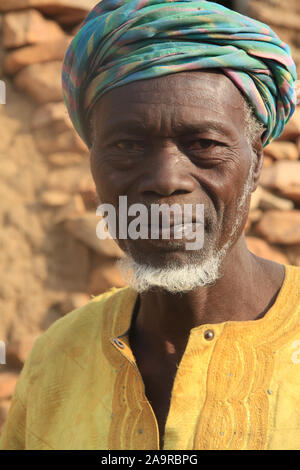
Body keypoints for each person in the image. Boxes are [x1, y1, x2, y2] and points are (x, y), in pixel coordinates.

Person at [0, 0, 299, 450]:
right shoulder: (57, 360)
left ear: (256, 162)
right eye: (126, 144)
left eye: (203, 143)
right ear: (93, 161)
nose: (165, 180)